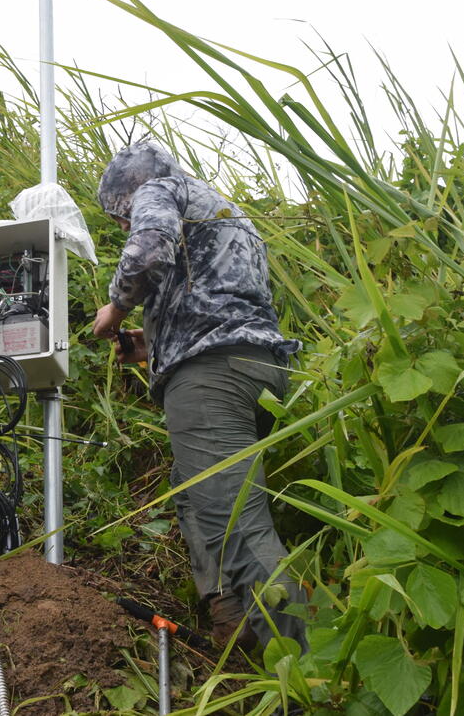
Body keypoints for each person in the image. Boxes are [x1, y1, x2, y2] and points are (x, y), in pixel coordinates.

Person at [91, 143, 308, 653]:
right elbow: (217, 299)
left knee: (239, 526)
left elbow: (148, 247)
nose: (124, 227)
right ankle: (235, 625)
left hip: (211, 379)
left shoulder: (158, 190)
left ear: (128, 197)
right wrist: (156, 344)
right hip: (258, 368)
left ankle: (309, 679)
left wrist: (116, 311)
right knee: (192, 490)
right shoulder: (226, 212)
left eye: (120, 218)